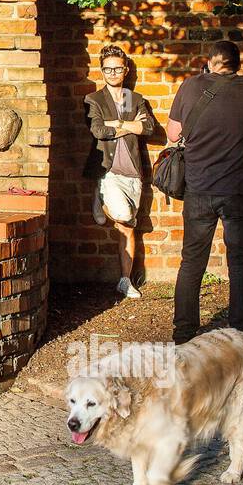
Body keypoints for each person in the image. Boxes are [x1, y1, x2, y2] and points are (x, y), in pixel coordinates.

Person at [166, 39, 243, 344]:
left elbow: (173, 134)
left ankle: (184, 332)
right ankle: (242, 330)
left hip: (199, 188)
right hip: (240, 188)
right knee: (240, 262)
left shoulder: (189, 86)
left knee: (192, 261)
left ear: (209, 61)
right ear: (237, 65)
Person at [84, 44, 155, 300]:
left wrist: (118, 124)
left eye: (117, 68)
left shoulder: (136, 99)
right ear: (102, 71)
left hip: (133, 173)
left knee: (127, 227)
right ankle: (100, 194)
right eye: (107, 69)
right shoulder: (94, 99)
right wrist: (131, 125)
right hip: (108, 170)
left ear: (125, 70)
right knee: (123, 215)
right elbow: (98, 131)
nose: (112, 73)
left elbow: (148, 128)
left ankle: (125, 281)